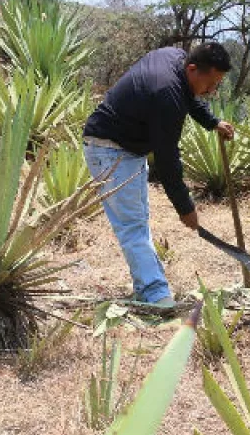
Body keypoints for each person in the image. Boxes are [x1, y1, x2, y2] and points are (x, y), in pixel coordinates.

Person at [82, 42, 235, 307]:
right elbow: (167, 160)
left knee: (138, 222)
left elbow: (189, 97)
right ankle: (156, 297)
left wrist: (213, 122)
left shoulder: (175, 59)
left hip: (128, 147)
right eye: (211, 83)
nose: (212, 90)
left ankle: (150, 288)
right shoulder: (166, 93)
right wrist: (185, 207)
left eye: (217, 83)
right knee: (132, 227)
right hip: (109, 150)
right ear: (192, 68)